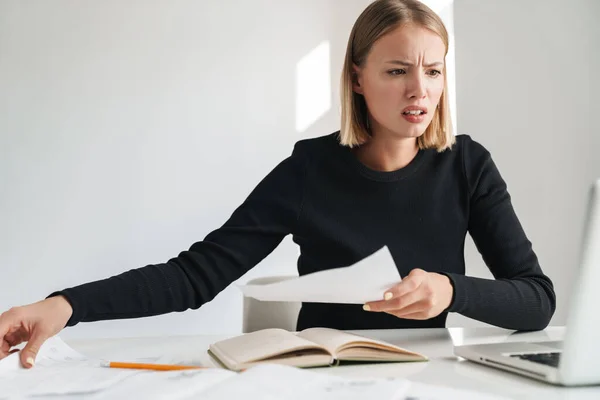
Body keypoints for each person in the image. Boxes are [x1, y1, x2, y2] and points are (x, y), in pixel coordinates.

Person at [0, 0, 556, 369]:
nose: (419, 90)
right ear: (358, 78)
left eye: (432, 71)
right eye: (397, 70)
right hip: (322, 379)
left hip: (430, 378)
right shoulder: (310, 170)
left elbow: (537, 300)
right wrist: (66, 304)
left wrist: (452, 290)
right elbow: (196, 275)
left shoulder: (468, 165)